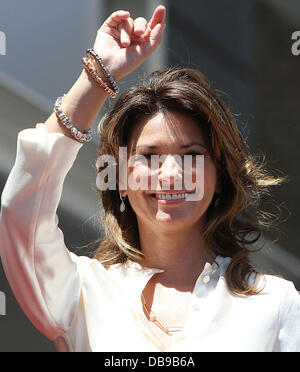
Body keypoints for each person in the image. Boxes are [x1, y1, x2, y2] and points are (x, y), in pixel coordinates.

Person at [0, 5, 299, 353]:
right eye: (149, 156)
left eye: (192, 156)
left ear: (219, 178)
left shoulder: (276, 305)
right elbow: (21, 208)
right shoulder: (81, 293)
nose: (171, 174)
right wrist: (97, 77)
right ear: (121, 180)